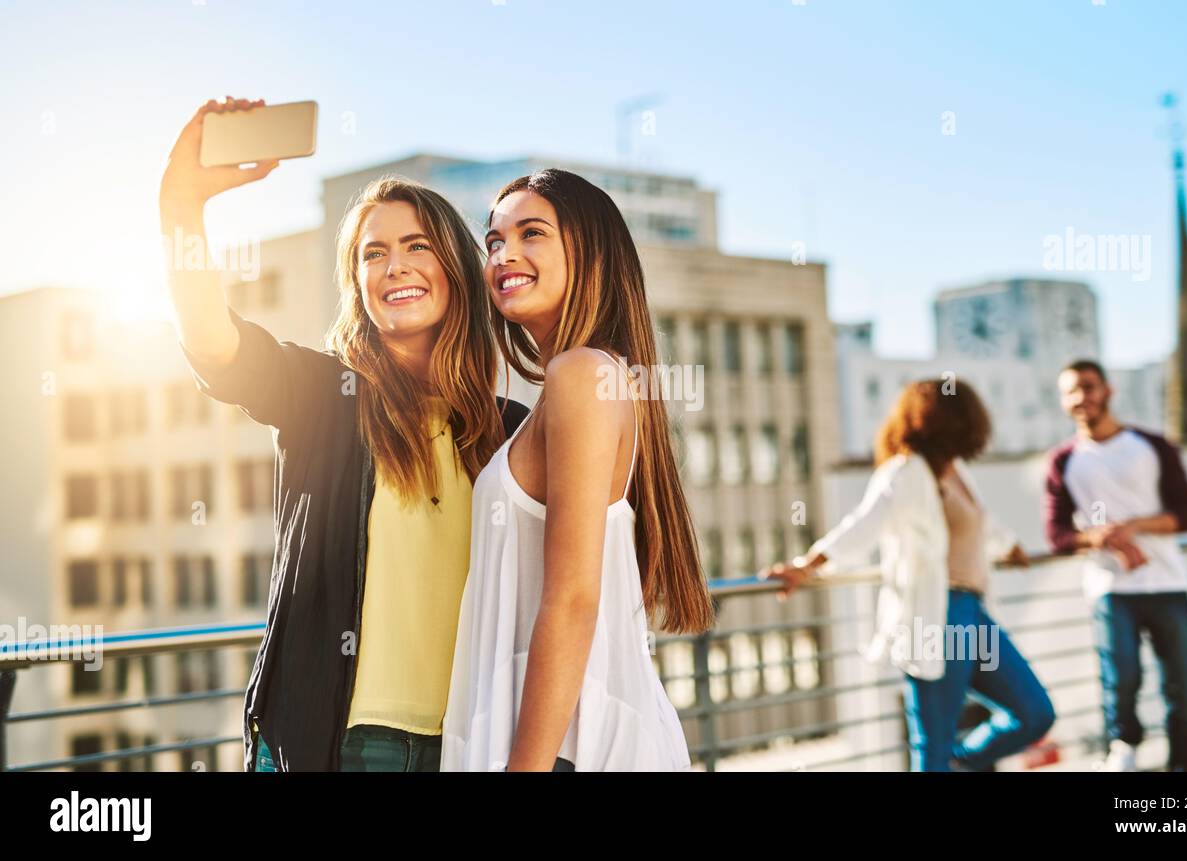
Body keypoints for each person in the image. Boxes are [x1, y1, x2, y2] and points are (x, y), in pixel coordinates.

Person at [160, 96, 527, 771]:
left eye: (417, 246)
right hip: (344, 744)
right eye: (373, 254)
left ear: (454, 268)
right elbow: (215, 344)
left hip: (472, 743)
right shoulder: (324, 396)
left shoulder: (508, 429)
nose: (395, 266)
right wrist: (181, 205)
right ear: (357, 284)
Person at [440, 169, 714, 771]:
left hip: (568, 748)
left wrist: (525, 767)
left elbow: (571, 597)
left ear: (587, 252)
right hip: (563, 738)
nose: (504, 254)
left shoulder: (582, 375)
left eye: (531, 233)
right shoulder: (586, 378)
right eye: (493, 241)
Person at [764, 379, 1055, 772]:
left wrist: (1010, 548)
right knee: (932, 745)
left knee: (1034, 712)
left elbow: (980, 526)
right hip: (935, 616)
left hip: (973, 612)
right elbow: (862, 524)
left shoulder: (956, 472)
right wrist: (808, 564)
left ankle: (960, 762)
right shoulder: (906, 471)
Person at [1045, 359, 1187, 772]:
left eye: (1088, 387)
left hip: (1168, 584)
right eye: (1071, 391)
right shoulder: (1063, 461)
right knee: (1122, 683)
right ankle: (1124, 757)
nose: (1081, 398)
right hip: (1111, 590)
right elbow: (1057, 535)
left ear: (1107, 390)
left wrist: (1133, 527)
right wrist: (1096, 537)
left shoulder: (1152, 445)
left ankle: (1186, 767)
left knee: (1181, 690)